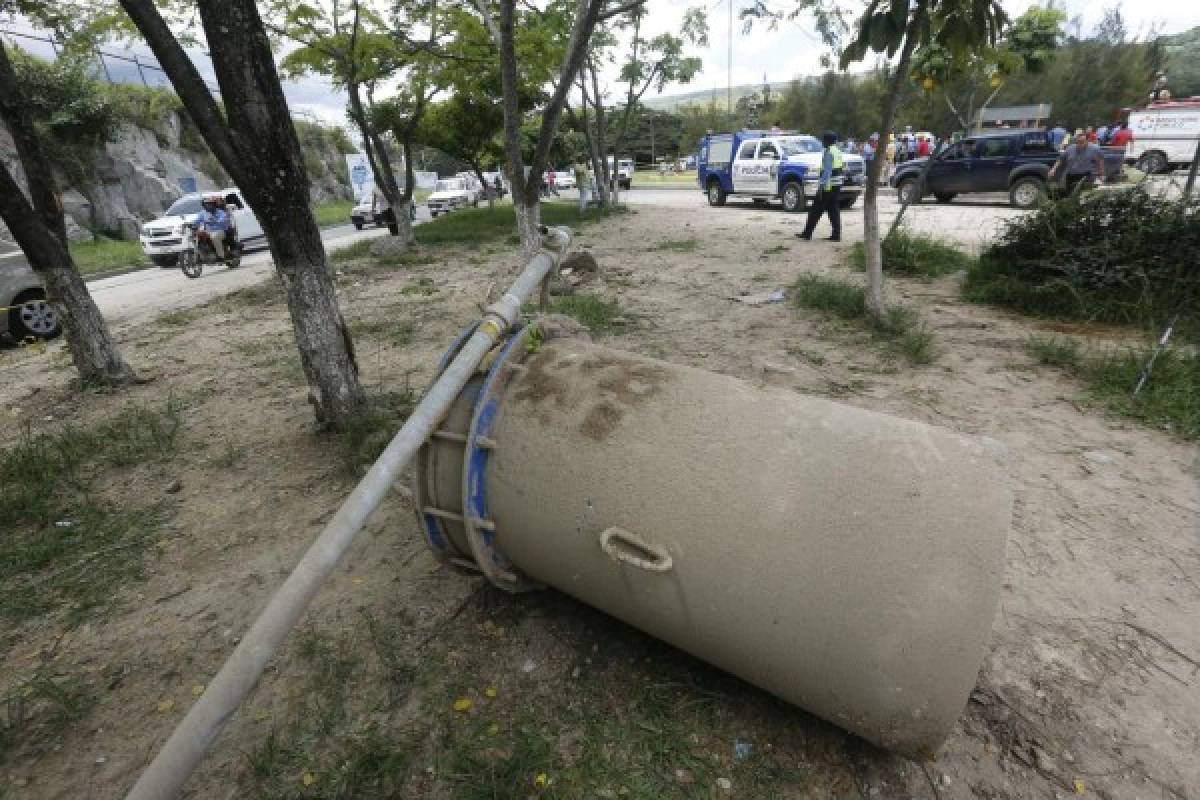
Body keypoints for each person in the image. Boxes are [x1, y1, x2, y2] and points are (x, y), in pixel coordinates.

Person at [796, 131, 844, 242]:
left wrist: (821, 187)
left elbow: (827, 172)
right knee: (834, 210)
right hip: (837, 185)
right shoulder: (837, 151)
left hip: (828, 186)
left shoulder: (828, 152)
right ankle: (836, 235)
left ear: (827, 141)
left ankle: (807, 233)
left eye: (823, 140)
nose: (822, 142)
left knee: (815, 210)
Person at [1050, 131, 1106, 195]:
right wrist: (1053, 169)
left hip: (1086, 176)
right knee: (1070, 194)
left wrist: (1102, 174)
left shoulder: (1094, 149)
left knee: (1084, 194)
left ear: (1087, 141)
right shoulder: (1070, 148)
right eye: (1078, 142)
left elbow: (1100, 161)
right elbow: (1060, 159)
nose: (1080, 144)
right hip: (1071, 175)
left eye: (1082, 142)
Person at [193, 194, 230, 260]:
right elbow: (197, 220)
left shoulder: (220, 212)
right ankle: (204, 253)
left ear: (214, 205)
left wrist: (216, 221)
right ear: (204, 206)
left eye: (209, 204)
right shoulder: (202, 213)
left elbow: (223, 219)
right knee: (198, 235)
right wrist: (191, 224)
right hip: (208, 231)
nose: (208, 206)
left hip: (220, 231)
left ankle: (221, 256)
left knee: (214, 237)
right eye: (206, 205)